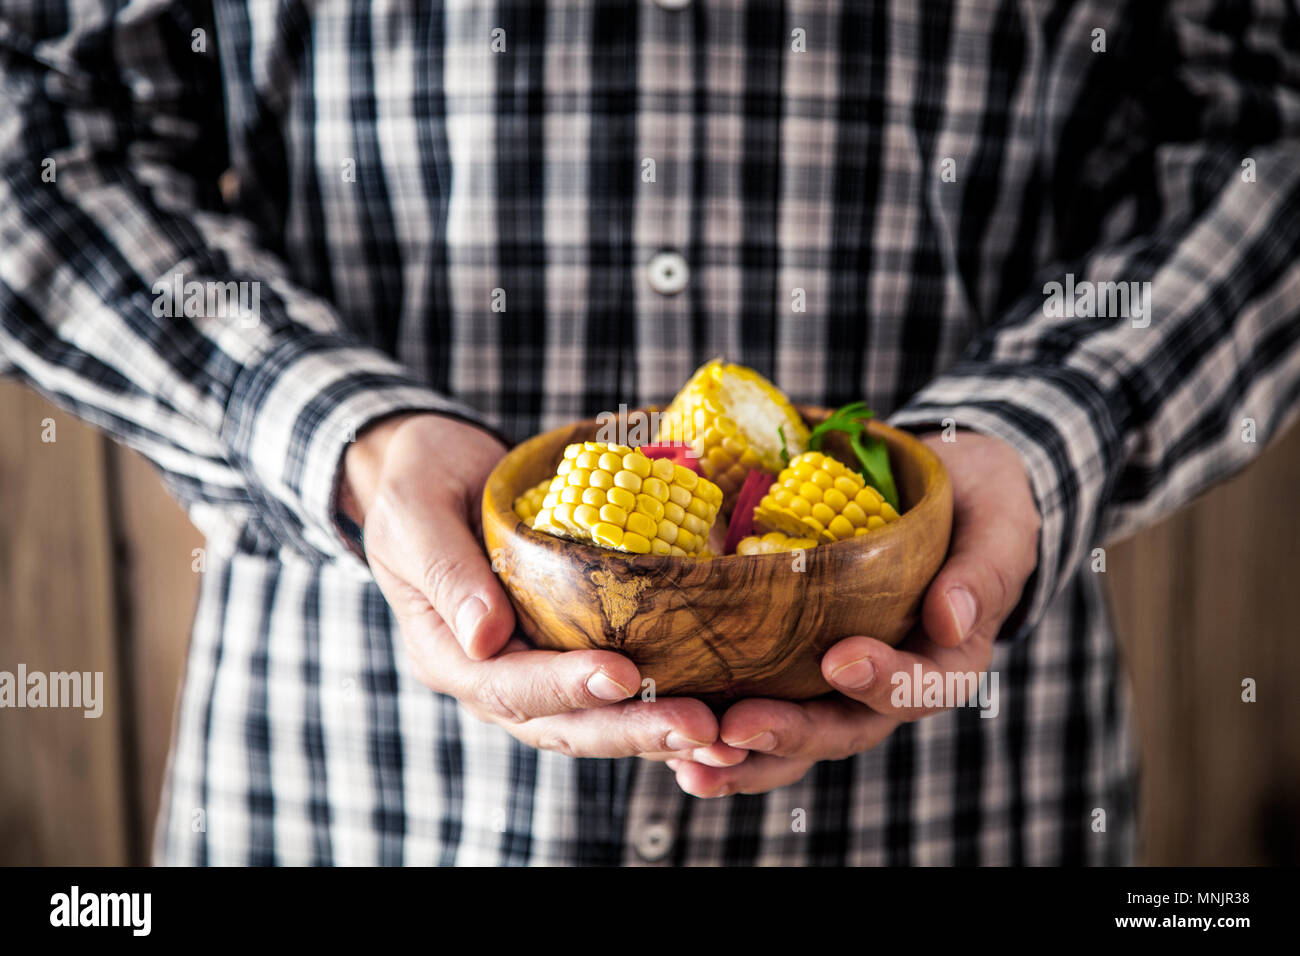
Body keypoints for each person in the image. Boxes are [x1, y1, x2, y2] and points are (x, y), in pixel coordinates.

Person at [2, 0, 1297, 866]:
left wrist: (1035, 441)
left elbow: (1266, 133)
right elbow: (37, 117)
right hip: (354, 781)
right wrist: (346, 435)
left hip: (971, 782)